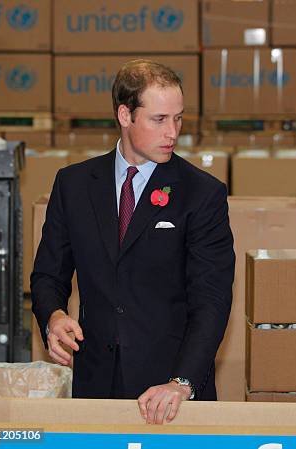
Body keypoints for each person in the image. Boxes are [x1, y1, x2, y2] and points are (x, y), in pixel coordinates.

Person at [31, 60, 235, 423]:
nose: (172, 131)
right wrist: (54, 315)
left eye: (179, 118)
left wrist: (181, 382)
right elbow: (48, 274)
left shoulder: (202, 195)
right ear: (125, 115)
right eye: (159, 119)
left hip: (170, 393)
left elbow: (213, 301)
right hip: (95, 387)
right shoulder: (74, 185)